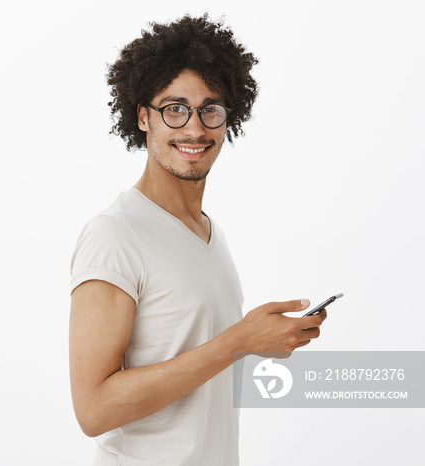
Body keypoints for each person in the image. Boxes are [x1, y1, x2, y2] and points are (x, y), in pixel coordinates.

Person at [68, 14, 327, 465]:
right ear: (143, 117)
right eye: (175, 108)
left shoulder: (211, 233)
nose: (194, 128)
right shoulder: (116, 234)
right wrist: (237, 341)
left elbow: (197, 371)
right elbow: (93, 409)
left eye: (210, 109)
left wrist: (264, 339)